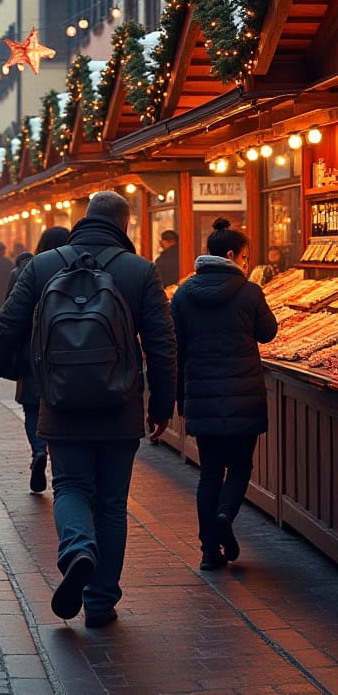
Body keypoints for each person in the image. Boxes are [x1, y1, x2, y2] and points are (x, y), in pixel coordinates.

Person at [0, 191, 176, 628]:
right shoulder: (140, 270)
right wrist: (162, 404)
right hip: (120, 406)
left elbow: (8, 322)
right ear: (125, 224)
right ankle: (101, 603)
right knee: (112, 503)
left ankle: (78, 549)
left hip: (61, 400)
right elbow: (162, 344)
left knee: (69, 486)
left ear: (84, 219)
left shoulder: (43, 265)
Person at [171, 217, 277, 570]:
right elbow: (268, 332)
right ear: (232, 255)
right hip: (243, 395)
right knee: (241, 466)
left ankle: (208, 551)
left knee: (210, 473)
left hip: (202, 396)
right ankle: (224, 516)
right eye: (246, 256)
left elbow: (176, 350)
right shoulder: (250, 292)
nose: (247, 263)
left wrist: (179, 399)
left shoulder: (184, 293)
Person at [2, 226, 70, 494]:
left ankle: (39, 450)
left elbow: (9, 316)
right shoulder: (80, 270)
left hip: (31, 351)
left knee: (32, 407)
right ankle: (62, 462)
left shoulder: (24, 271)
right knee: (64, 407)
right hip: (69, 350)